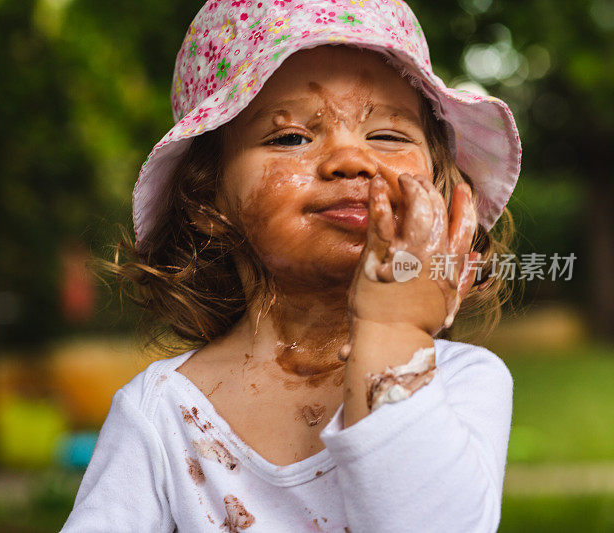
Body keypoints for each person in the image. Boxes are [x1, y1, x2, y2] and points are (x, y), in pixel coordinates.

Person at [62, 1, 521, 531]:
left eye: (389, 136)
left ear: (442, 193)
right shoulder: (160, 412)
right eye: (291, 137)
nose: (351, 159)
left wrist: (392, 330)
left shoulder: (461, 382)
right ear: (208, 199)